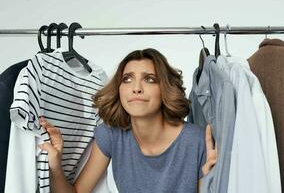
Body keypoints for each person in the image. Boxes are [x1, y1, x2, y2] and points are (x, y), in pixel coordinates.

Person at [39, 48, 217, 193]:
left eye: (149, 79)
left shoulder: (198, 141)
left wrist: (213, 184)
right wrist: (56, 166)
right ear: (119, 89)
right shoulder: (111, 134)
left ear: (164, 88)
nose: (136, 88)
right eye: (127, 79)